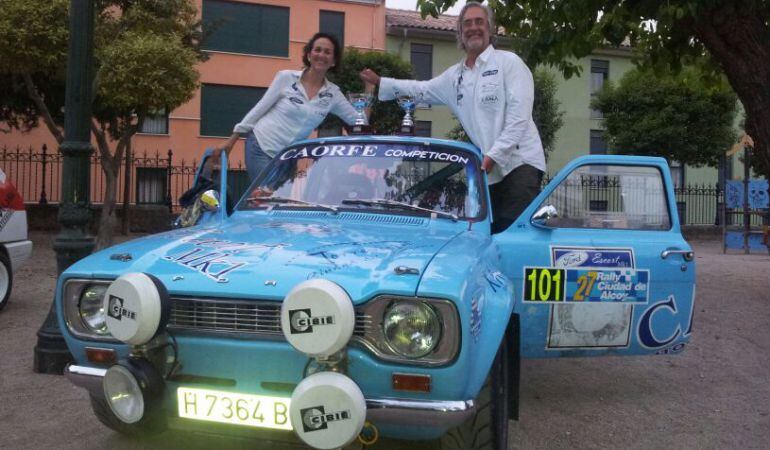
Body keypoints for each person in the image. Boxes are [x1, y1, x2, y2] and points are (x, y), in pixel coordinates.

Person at [359, 3, 546, 233]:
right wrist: (381, 82)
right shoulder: (455, 77)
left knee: (512, 235)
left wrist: (493, 156)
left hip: (520, 163)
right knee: (491, 233)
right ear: (460, 32)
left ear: (490, 28)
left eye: (479, 22)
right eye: (467, 23)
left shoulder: (510, 63)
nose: (473, 28)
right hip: (489, 170)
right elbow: (421, 89)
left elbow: (519, 118)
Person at [213, 32, 370, 181]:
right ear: (309, 55)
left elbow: (359, 121)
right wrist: (232, 139)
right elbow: (260, 107)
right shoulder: (286, 77)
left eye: (327, 52)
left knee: (276, 204)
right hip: (261, 146)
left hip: (288, 157)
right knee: (263, 197)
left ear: (333, 61)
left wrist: (369, 88)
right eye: (317, 50)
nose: (321, 55)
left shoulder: (333, 94)